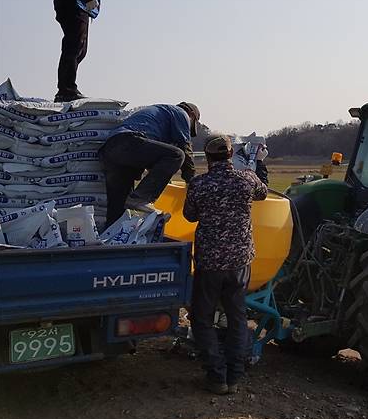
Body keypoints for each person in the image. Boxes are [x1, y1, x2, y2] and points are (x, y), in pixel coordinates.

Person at [183, 134, 268, 395]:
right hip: (240, 262)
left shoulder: (199, 185)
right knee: (237, 317)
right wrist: (260, 164)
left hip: (210, 263)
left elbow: (189, 216)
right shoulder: (246, 179)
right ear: (231, 155)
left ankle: (216, 375)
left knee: (202, 318)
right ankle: (235, 375)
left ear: (207, 157)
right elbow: (263, 193)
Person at [99, 102, 200, 227]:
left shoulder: (160, 116)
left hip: (110, 149)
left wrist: (164, 176)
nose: (187, 130)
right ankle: (141, 198)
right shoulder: (181, 113)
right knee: (177, 155)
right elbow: (185, 148)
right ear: (191, 114)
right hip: (129, 142)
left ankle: (110, 241)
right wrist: (191, 181)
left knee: (118, 207)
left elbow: (153, 161)